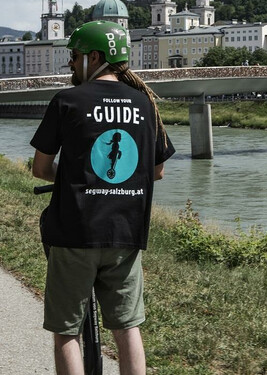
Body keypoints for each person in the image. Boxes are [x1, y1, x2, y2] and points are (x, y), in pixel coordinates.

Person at [30, 20, 175, 375]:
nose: (70, 63)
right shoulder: (145, 104)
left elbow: (41, 168)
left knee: (67, 330)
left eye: (74, 55)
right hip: (126, 231)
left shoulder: (67, 100)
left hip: (75, 231)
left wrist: (69, 180)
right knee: (127, 327)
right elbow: (157, 171)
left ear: (95, 57)